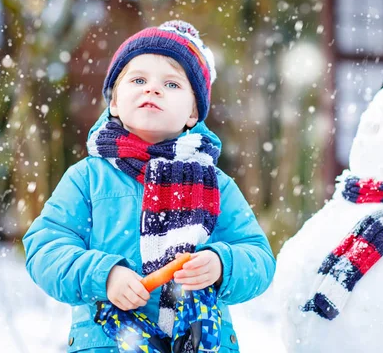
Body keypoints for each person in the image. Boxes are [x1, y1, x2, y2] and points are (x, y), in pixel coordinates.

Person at [23, 20, 276, 353]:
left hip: (199, 342)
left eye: (171, 84)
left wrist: (221, 264)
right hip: (108, 342)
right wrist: (104, 275)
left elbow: (258, 257)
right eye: (138, 79)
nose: (152, 89)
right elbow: (45, 248)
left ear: (192, 113)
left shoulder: (216, 185)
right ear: (114, 102)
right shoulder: (86, 179)